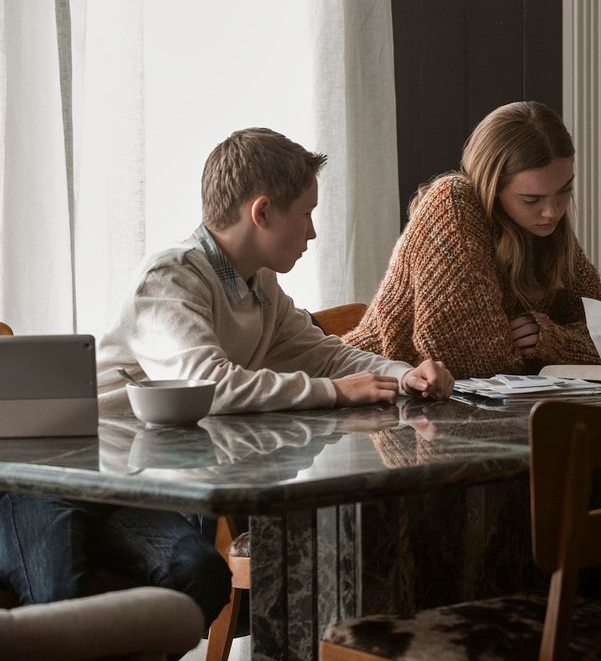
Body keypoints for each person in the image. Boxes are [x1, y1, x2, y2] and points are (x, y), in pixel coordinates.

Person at [0, 128, 454, 629]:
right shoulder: (169, 280)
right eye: (306, 213)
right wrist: (333, 392)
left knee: (200, 573)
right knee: (59, 595)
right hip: (48, 483)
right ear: (261, 213)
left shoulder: (260, 286)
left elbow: (324, 354)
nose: (313, 232)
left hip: (123, 492)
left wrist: (402, 374)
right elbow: (206, 385)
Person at [344, 101, 601, 379]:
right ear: (493, 186)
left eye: (564, 190)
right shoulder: (452, 204)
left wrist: (551, 340)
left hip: (445, 407)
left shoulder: (545, 231)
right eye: (531, 199)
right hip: (372, 390)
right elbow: (470, 360)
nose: (552, 211)